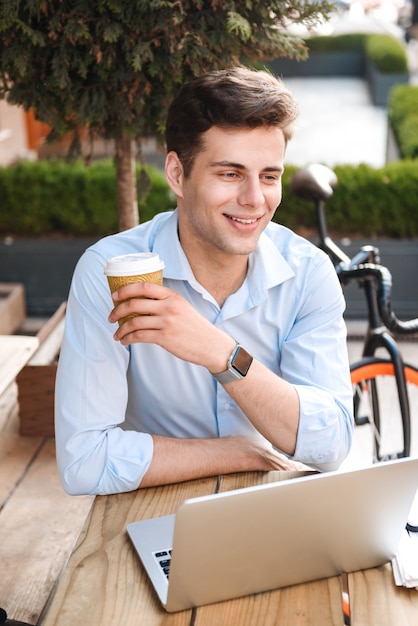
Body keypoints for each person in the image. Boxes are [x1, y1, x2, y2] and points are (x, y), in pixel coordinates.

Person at [55, 66, 354, 496]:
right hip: (157, 506)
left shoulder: (308, 273)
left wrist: (222, 353)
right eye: (230, 174)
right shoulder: (111, 271)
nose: (255, 199)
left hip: (280, 503)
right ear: (177, 174)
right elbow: (83, 461)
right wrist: (235, 453)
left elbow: (332, 443)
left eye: (269, 176)